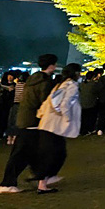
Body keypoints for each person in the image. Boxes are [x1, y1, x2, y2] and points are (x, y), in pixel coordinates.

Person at [0, 53, 58, 194]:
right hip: (34, 121)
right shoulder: (45, 82)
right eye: (54, 64)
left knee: (29, 152)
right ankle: (8, 183)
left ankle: (40, 180)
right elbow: (46, 103)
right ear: (51, 65)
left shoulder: (33, 79)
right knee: (22, 153)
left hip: (25, 119)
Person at [34, 63, 82, 193]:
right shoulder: (71, 86)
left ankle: (45, 179)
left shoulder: (58, 85)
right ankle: (43, 182)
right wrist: (67, 119)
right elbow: (65, 104)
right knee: (55, 153)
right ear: (76, 73)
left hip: (47, 123)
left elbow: (47, 102)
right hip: (56, 125)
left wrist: (41, 114)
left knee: (53, 152)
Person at [79, 70, 100, 135]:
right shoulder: (94, 84)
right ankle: (90, 129)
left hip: (82, 103)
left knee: (83, 118)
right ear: (93, 77)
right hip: (91, 104)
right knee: (91, 117)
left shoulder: (81, 84)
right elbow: (98, 92)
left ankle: (82, 130)